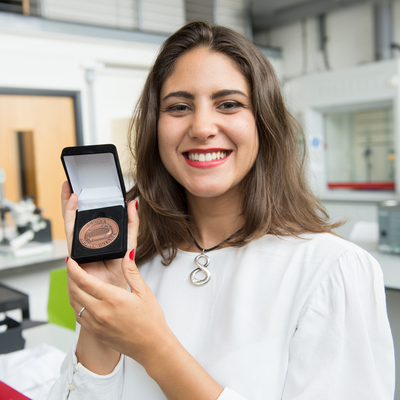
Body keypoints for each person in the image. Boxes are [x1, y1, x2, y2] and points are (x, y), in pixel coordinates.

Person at [48, 21, 395, 400]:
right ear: (155, 128)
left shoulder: (332, 270)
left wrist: (156, 349)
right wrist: (101, 305)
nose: (201, 127)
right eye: (179, 107)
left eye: (228, 104)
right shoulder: (136, 266)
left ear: (264, 122)